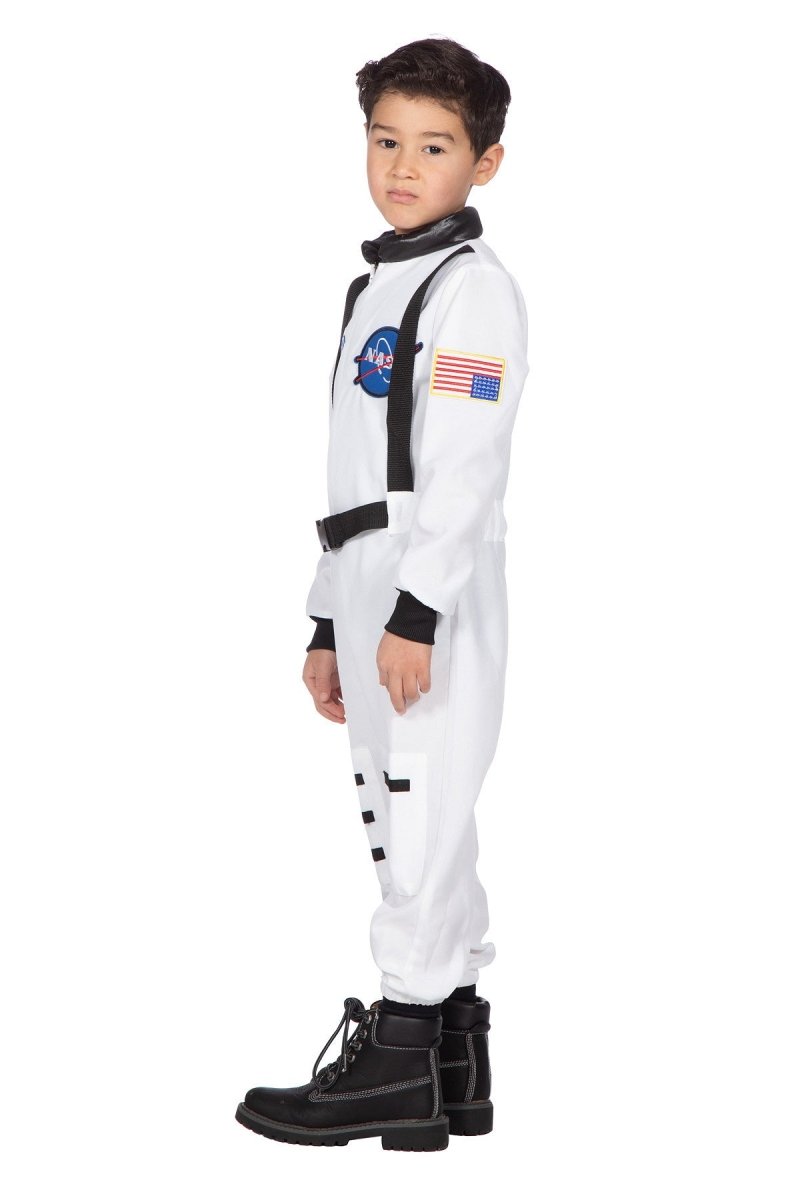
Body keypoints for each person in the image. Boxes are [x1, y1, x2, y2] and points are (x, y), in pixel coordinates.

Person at [235, 36, 529, 1152]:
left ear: (484, 163)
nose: (403, 167)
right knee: (411, 808)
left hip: (425, 582)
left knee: (419, 809)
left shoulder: (471, 292)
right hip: (368, 572)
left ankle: (398, 1057)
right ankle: (451, 1054)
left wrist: (417, 612)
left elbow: (461, 467)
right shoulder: (376, 286)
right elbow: (354, 472)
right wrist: (328, 615)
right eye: (385, 140)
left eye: (435, 147)